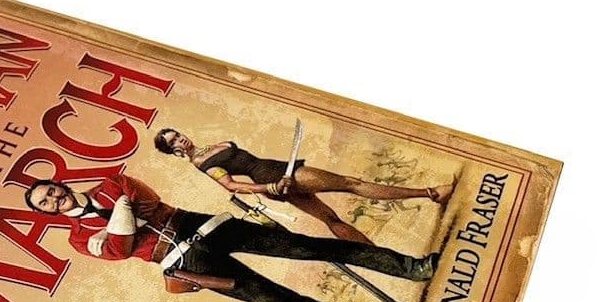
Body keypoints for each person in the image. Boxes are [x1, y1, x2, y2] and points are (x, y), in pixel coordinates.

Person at [24, 173, 439, 302]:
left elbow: (142, 210)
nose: (54, 199)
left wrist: (120, 218)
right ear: (47, 213)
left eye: (51, 191)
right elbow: (119, 248)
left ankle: (410, 267)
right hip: (190, 264)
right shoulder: (78, 238)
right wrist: (122, 212)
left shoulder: (113, 182)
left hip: (206, 227)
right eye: (46, 203)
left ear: (60, 184)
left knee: (311, 247)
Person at [153, 127, 455, 244]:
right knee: (351, 184)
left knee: (330, 219)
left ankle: (382, 257)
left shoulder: (210, 146)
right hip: (273, 177)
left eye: (177, 135)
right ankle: (432, 194)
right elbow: (232, 186)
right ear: (174, 151)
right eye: (174, 142)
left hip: (276, 170)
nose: (181, 140)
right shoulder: (202, 163)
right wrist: (269, 188)